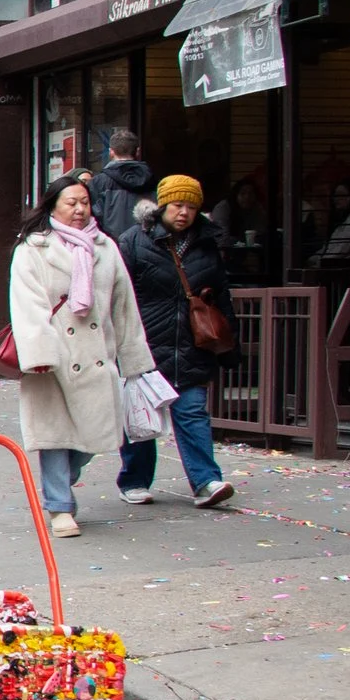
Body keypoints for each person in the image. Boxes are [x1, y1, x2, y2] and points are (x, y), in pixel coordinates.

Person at [8, 175, 156, 539]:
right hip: (54, 357)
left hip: (96, 357)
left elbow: (124, 307)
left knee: (95, 436)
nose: (78, 209)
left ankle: (62, 481)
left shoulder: (106, 248)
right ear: (52, 205)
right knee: (55, 435)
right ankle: (60, 506)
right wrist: (39, 353)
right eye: (71, 202)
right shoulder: (33, 248)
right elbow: (27, 305)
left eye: (84, 203)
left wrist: (135, 360)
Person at [117, 175, 237, 510]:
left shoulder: (207, 245)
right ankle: (135, 481)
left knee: (192, 411)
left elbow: (222, 298)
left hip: (192, 343)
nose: (183, 212)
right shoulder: (133, 241)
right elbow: (117, 295)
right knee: (141, 416)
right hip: (144, 344)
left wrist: (230, 346)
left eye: (191, 206)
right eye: (177, 204)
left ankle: (206, 481)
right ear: (162, 205)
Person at [90, 131, 151, 243]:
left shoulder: (98, 182)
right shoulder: (152, 180)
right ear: (138, 151)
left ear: (111, 152)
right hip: (145, 245)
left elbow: (94, 219)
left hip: (111, 245)